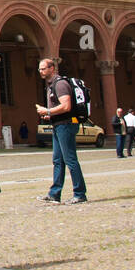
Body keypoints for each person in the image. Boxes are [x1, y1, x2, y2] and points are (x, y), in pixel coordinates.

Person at [35, 58, 88, 204]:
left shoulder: (60, 84)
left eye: (43, 68)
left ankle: (80, 193)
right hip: (58, 125)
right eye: (39, 69)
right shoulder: (51, 85)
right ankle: (54, 193)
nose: (41, 71)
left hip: (66, 125)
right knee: (57, 160)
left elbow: (66, 106)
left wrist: (48, 111)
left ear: (52, 68)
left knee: (70, 159)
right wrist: (49, 115)